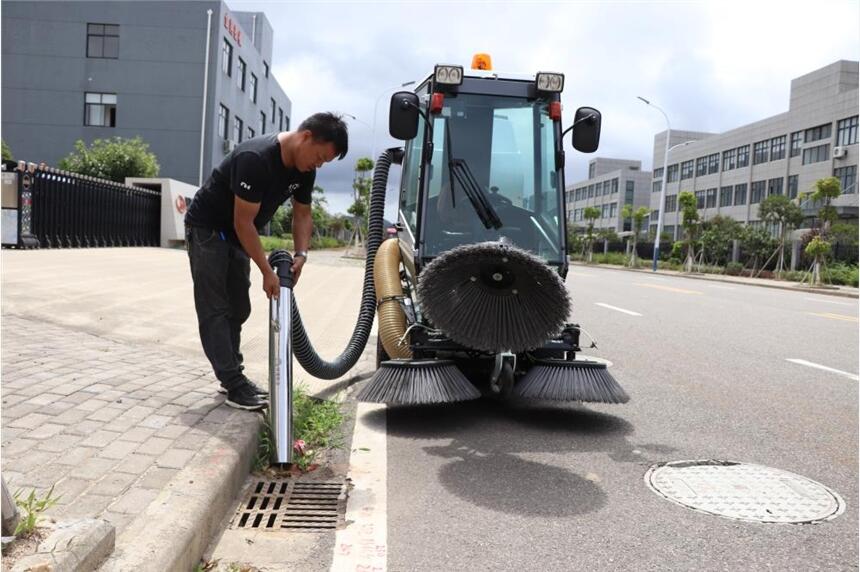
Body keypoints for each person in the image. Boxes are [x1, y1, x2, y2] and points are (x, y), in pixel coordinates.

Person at [184, 112, 348, 410]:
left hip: (237, 236)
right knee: (216, 309)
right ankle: (234, 384)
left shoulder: (304, 170)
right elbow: (243, 222)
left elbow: (303, 214)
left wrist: (302, 255)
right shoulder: (256, 158)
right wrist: (265, 271)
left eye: (325, 162)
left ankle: (232, 377)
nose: (319, 165)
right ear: (306, 136)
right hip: (208, 229)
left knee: (239, 307)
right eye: (320, 157)